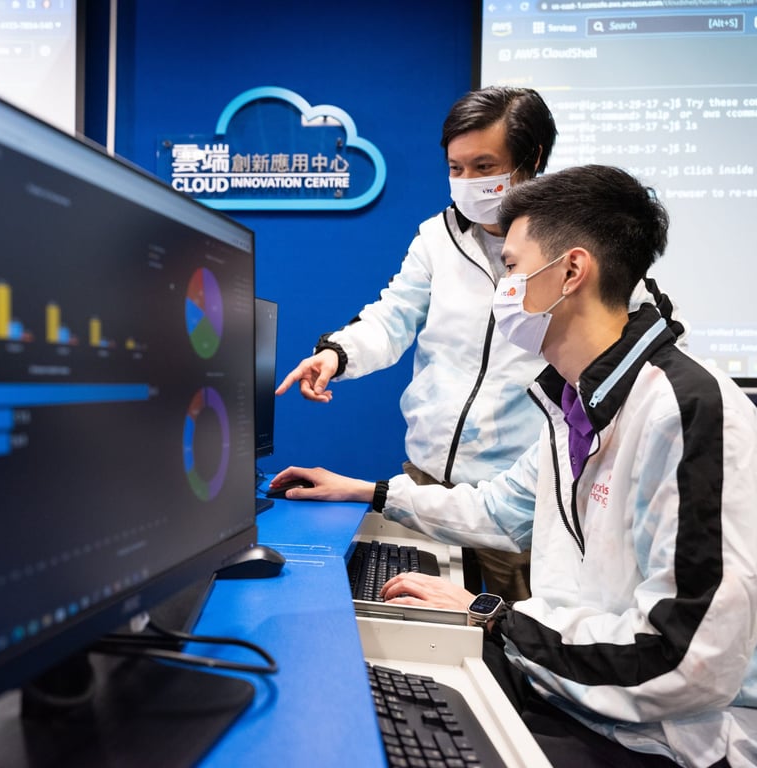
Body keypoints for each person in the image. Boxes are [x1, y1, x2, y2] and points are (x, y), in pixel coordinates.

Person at [271, 165, 757, 767]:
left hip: (666, 739)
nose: (500, 287)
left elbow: (688, 660)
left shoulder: (686, 412)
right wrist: (369, 492)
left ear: (572, 272)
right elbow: (501, 510)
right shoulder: (578, 400)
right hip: (577, 697)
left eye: (510, 266)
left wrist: (492, 616)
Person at [275, 86, 680, 602]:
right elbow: (393, 315)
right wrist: (338, 354)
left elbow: (644, 338)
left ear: (530, 158)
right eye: (455, 168)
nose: (466, 182)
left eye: (483, 165)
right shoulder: (436, 238)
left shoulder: (573, 243)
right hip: (427, 475)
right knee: (426, 622)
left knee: (528, 632)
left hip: (523, 489)